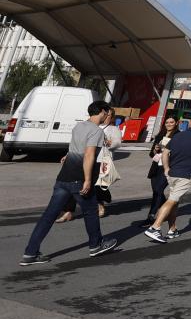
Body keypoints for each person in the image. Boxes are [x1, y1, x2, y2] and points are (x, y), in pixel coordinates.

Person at [20, 101, 120, 266]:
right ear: (102, 111)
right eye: (107, 113)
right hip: (79, 178)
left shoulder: (79, 126)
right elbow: (88, 155)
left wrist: (68, 156)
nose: (107, 116)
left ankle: (30, 253)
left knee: (49, 215)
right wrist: (88, 179)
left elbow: (74, 148)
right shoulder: (96, 131)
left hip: (63, 177)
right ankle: (96, 245)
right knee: (90, 211)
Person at [145, 114, 191, 243]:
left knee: (174, 201)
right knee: (172, 200)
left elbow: (165, 152)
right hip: (185, 175)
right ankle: (155, 227)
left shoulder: (178, 135)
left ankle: (172, 229)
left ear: (190, 123)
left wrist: (167, 168)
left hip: (172, 173)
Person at [142, 115, 178, 226]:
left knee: (158, 190)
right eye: (167, 122)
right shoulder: (160, 135)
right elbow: (151, 154)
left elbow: (178, 153)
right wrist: (155, 150)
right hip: (156, 166)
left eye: (171, 122)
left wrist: (169, 152)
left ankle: (151, 216)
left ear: (177, 123)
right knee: (156, 191)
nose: (169, 124)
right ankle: (168, 209)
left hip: (167, 167)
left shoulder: (178, 136)